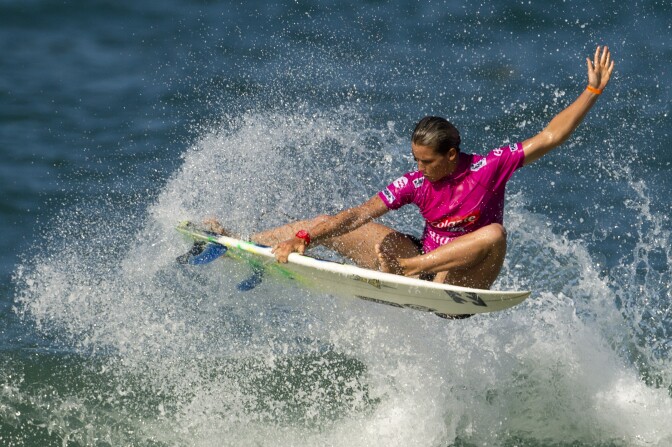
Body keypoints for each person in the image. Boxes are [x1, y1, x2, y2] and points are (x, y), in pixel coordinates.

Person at [207, 46, 614, 291]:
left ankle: (415, 268)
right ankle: (245, 245)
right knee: (331, 223)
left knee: (494, 233)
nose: (418, 168)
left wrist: (592, 91)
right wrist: (304, 239)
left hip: (462, 280)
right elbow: (357, 213)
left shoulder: (489, 167)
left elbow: (549, 136)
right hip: (418, 264)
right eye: (415, 159)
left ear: (452, 154)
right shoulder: (416, 182)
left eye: (427, 161)